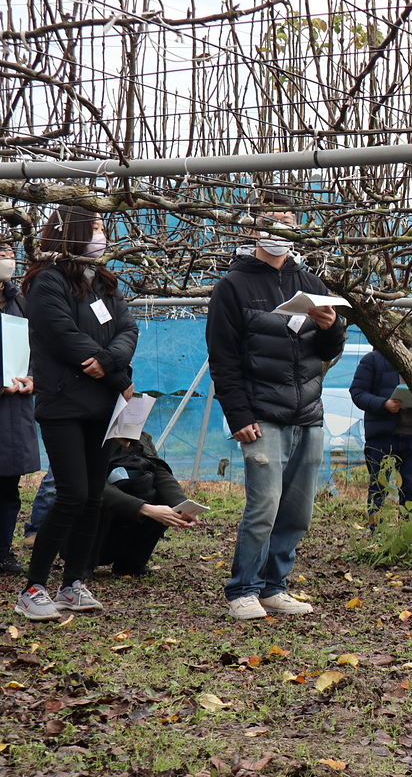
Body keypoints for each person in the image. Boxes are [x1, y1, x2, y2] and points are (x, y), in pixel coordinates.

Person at [206, 192, 345, 620]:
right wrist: (239, 416)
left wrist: (332, 326)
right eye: (272, 221)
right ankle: (242, 589)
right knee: (263, 506)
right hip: (262, 415)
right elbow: (224, 359)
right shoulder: (233, 286)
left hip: (308, 414)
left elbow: (328, 350)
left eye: (287, 221)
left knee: (297, 510)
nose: (280, 229)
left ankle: (273, 586)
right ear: (253, 229)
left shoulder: (310, 282)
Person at [18, 206, 138, 621]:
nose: (104, 234)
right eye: (98, 227)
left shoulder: (103, 283)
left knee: (90, 498)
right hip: (64, 404)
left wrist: (110, 365)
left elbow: (129, 330)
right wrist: (114, 372)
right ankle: (34, 587)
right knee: (70, 494)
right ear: (74, 232)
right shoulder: (46, 282)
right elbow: (63, 336)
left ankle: (73, 584)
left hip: (103, 405)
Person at [92, 433, 199, 575]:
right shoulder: (90, 434)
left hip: (125, 521)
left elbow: (157, 471)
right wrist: (144, 508)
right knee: (94, 500)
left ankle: (131, 564)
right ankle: (82, 564)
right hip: (95, 521)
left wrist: (182, 506)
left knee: (159, 495)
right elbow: (92, 485)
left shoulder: (142, 436)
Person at [350, 347, 412, 531]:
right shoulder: (373, 360)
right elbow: (357, 392)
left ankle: (407, 534)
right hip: (382, 437)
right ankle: (377, 534)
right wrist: (383, 404)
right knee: (378, 488)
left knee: (409, 490)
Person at [0, 243, 38, 575]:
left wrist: (32, 379)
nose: (6, 259)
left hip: (13, 409)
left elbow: (40, 349)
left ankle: (3, 551)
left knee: (8, 488)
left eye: (9, 252)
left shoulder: (22, 303)